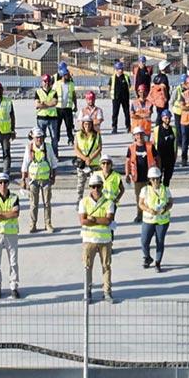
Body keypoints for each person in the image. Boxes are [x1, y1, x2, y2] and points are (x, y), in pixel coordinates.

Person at [79, 174, 116, 303]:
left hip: (105, 240)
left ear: (102, 186)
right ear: (90, 187)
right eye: (93, 186)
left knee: (106, 266)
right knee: (87, 267)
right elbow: (83, 221)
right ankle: (87, 292)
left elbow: (108, 220)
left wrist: (93, 219)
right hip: (89, 239)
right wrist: (100, 220)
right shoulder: (84, 202)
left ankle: (107, 292)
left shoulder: (109, 202)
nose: (96, 189)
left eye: (98, 186)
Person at [0, 173, 23, 299]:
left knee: (13, 262)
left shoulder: (14, 197)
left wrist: (0, 214)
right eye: (0, 183)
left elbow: (16, 214)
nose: (3, 185)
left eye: (5, 182)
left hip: (11, 234)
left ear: (8, 184)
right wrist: (8, 214)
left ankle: (14, 286)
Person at [22, 128, 58, 232]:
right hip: (33, 180)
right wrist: (23, 180)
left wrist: (53, 177)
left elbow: (53, 162)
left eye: (40, 137)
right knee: (33, 203)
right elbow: (25, 164)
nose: (39, 139)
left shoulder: (48, 147)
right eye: (37, 137)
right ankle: (33, 224)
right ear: (33, 138)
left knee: (47, 203)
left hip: (46, 180)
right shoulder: (29, 148)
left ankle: (48, 223)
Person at [74, 114, 104, 197]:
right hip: (82, 163)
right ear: (83, 124)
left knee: (95, 183)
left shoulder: (97, 134)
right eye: (85, 124)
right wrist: (85, 158)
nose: (87, 126)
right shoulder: (78, 134)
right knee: (80, 183)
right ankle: (79, 200)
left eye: (89, 124)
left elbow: (99, 148)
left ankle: (95, 198)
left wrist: (90, 158)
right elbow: (76, 148)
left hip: (94, 162)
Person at [35, 74, 61, 155]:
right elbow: (37, 105)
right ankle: (42, 154)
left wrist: (43, 104)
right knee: (41, 138)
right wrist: (48, 104)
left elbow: (55, 103)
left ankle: (54, 155)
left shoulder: (54, 92)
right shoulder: (38, 92)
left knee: (54, 138)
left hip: (52, 118)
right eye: (45, 81)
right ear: (42, 82)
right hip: (41, 118)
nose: (46, 83)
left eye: (48, 81)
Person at [109, 62, 132, 133]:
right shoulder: (112, 78)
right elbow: (109, 87)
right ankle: (114, 126)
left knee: (127, 112)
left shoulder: (126, 77)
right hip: (116, 98)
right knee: (115, 113)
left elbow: (130, 85)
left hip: (125, 98)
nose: (121, 70)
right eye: (119, 69)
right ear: (116, 69)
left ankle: (128, 126)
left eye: (122, 69)